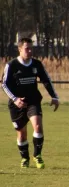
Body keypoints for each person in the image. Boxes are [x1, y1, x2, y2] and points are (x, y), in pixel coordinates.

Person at [1, 37, 60, 168]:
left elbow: (46, 80)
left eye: (31, 48)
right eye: (27, 48)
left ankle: (37, 156)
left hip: (33, 100)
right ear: (20, 49)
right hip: (17, 104)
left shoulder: (36, 64)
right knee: (22, 134)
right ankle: (25, 158)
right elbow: (4, 84)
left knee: (38, 126)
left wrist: (54, 97)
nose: (29, 51)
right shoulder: (11, 65)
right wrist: (15, 99)